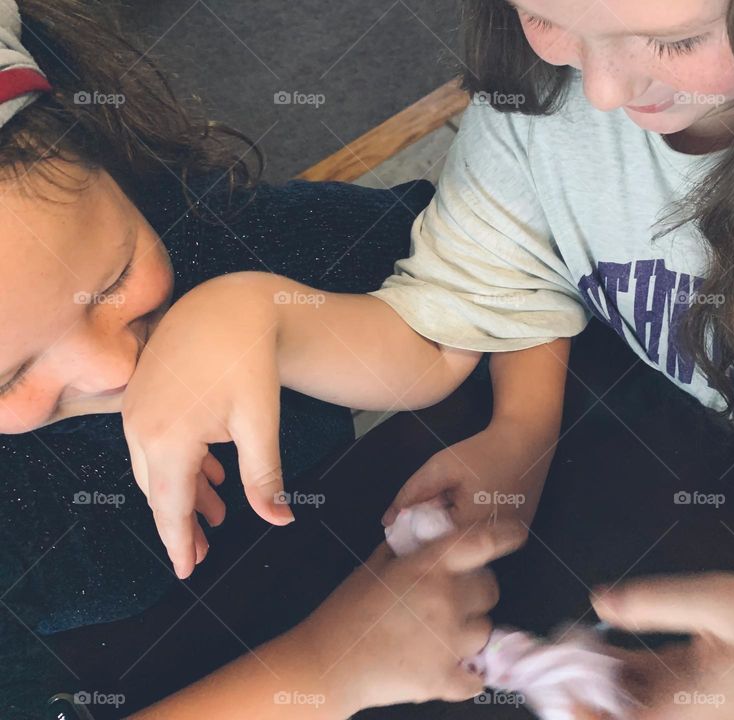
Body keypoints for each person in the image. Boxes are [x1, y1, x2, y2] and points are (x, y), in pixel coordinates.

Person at [122, 0, 734, 716]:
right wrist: (266, 316)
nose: (602, 90)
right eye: (545, 17)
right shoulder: (547, 101)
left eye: (672, 42)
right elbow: (451, 320)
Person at [0, 1, 526, 718]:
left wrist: (522, 432)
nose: (112, 369)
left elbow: (503, 260)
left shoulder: (222, 242)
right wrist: (327, 668)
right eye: (12, 376)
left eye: (118, 278)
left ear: (111, 158)